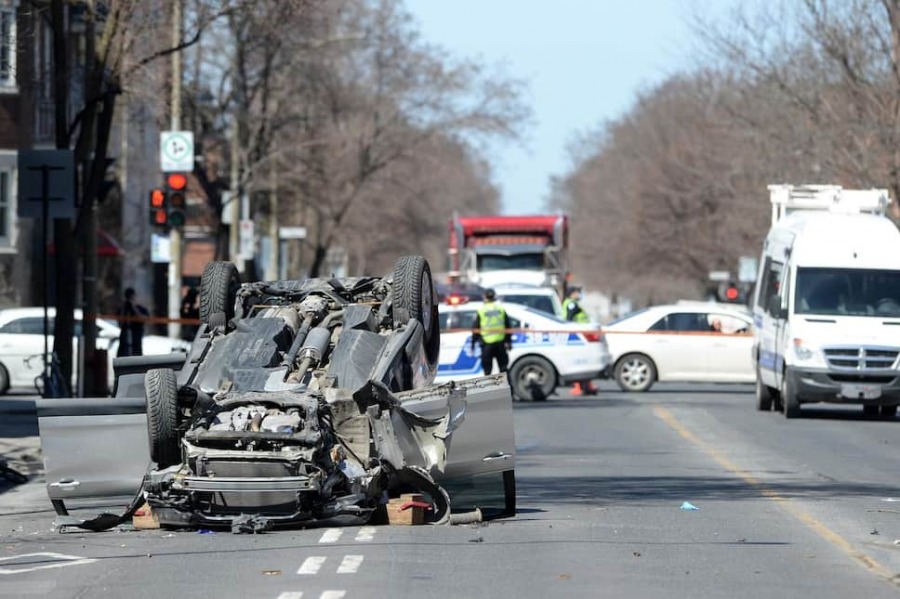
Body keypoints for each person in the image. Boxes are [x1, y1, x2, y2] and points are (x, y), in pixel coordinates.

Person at [564, 286, 599, 396]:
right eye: (577, 292)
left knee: (585, 361)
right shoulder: (571, 304)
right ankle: (578, 386)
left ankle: (587, 386)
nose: (579, 294)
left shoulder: (574, 303)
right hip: (577, 336)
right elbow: (570, 319)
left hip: (582, 335)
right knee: (578, 361)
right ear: (572, 293)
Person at [471, 288, 512, 375]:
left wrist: (473, 343)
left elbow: (476, 328)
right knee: (503, 370)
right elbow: (507, 325)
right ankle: (507, 387)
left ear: (485, 297)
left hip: (487, 344)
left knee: (487, 372)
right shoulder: (500, 308)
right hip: (500, 343)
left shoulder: (481, 310)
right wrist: (508, 341)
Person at [117, 287, 148, 357]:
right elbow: (120, 324)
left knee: (136, 361)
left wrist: (133, 307)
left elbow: (143, 319)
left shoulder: (140, 309)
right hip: (124, 343)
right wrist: (123, 308)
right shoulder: (123, 309)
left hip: (136, 343)